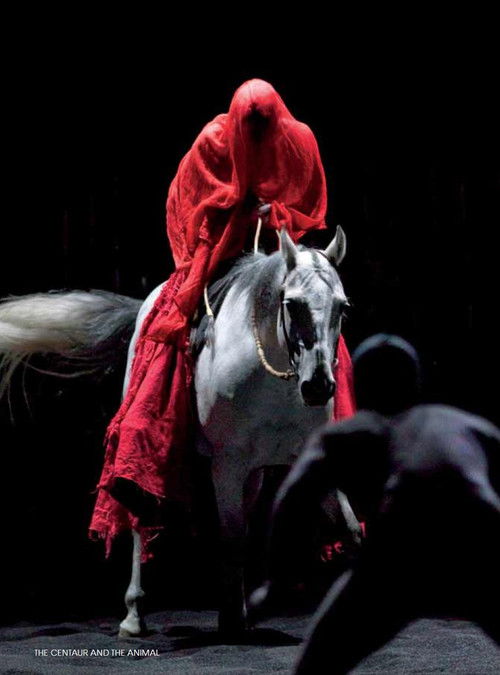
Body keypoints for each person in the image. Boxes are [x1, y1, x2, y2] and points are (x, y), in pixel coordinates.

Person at [89, 79, 356, 557]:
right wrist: (236, 209)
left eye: (264, 128)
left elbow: (310, 203)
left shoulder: (300, 140)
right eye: (248, 129)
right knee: (170, 324)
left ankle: (339, 431)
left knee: (322, 319)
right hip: (222, 249)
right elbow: (187, 204)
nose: (255, 139)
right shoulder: (212, 142)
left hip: (278, 248)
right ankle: (155, 430)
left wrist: (278, 215)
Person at [251, 334, 500, 674]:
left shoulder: (350, 433)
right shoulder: (467, 426)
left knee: (314, 668)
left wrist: (278, 585)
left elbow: (294, 499)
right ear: (416, 385)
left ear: (359, 389)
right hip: (479, 552)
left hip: (398, 560)